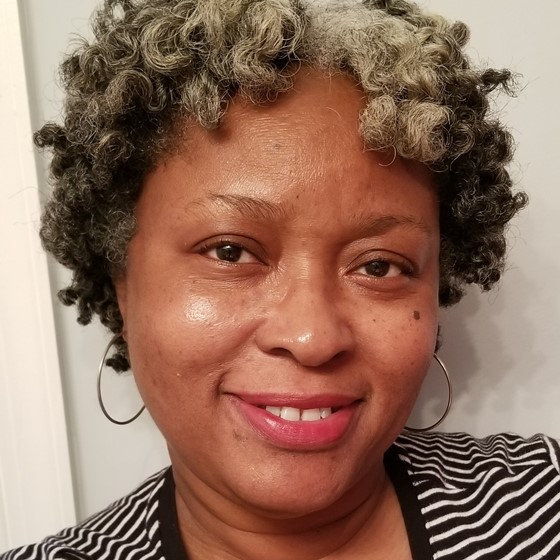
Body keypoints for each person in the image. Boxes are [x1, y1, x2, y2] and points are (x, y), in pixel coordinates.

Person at [3, 0, 560, 558]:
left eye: (379, 265)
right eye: (229, 251)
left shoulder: (541, 507)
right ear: (122, 282)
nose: (312, 338)